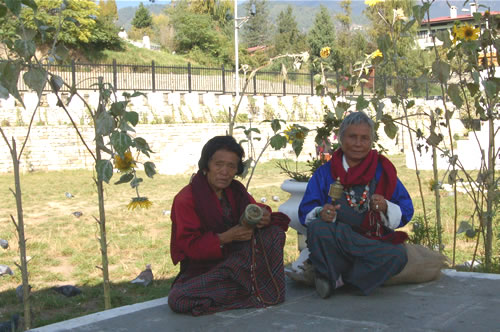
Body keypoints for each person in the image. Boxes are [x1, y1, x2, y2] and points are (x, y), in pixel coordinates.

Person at [168, 135, 290, 315]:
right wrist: (227, 237)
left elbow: (254, 208)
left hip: (238, 262)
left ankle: (246, 288)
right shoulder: (186, 199)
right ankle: (251, 290)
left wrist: (265, 216)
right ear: (206, 165)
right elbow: (190, 247)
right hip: (206, 270)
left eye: (231, 166)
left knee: (274, 234)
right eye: (218, 164)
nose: (225, 171)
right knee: (178, 298)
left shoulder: (236, 190)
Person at [298, 111, 414, 298]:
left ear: (371, 141)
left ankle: (340, 278)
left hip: (369, 242)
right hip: (337, 240)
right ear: (341, 138)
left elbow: (407, 209)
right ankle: (351, 276)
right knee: (318, 228)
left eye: (364, 138)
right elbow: (305, 212)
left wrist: (385, 207)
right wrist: (321, 212)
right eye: (352, 137)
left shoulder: (382, 171)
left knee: (398, 255)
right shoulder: (325, 173)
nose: (358, 144)